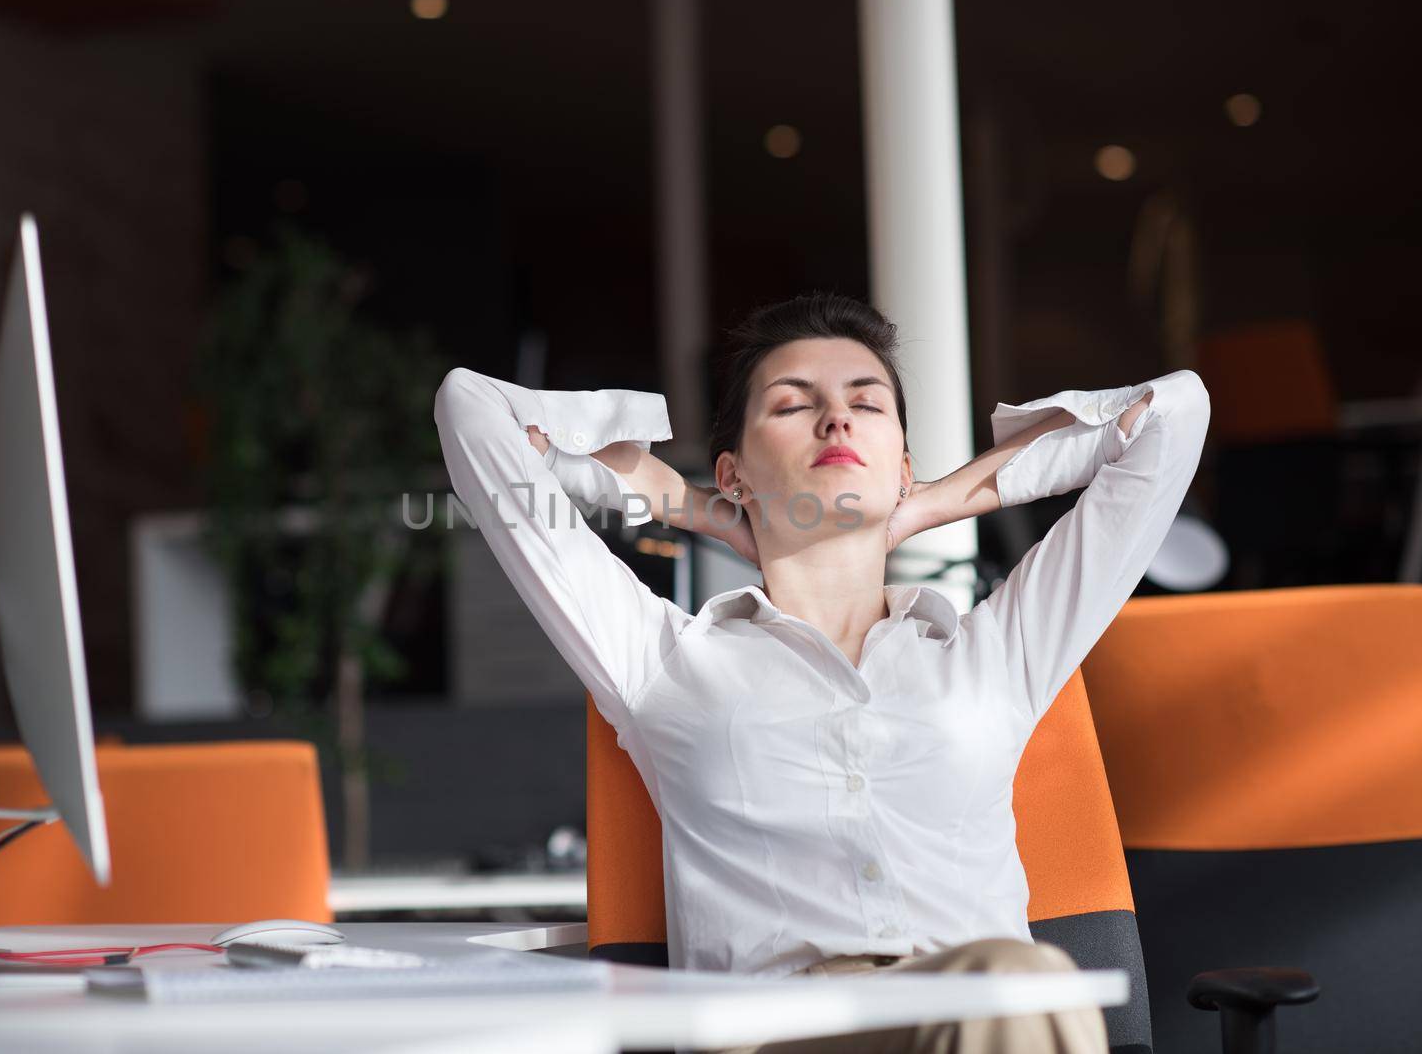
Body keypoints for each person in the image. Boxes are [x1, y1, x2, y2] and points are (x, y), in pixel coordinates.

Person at [433, 293, 1210, 1053]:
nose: (836, 418)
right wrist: (698, 508)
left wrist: (934, 501)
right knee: (1018, 984)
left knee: (1011, 988)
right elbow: (473, 410)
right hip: (777, 1030)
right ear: (733, 468)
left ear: (901, 464)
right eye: (792, 404)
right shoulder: (663, 660)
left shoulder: (996, 651)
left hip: (979, 1013)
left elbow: (1173, 414)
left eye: (866, 403)